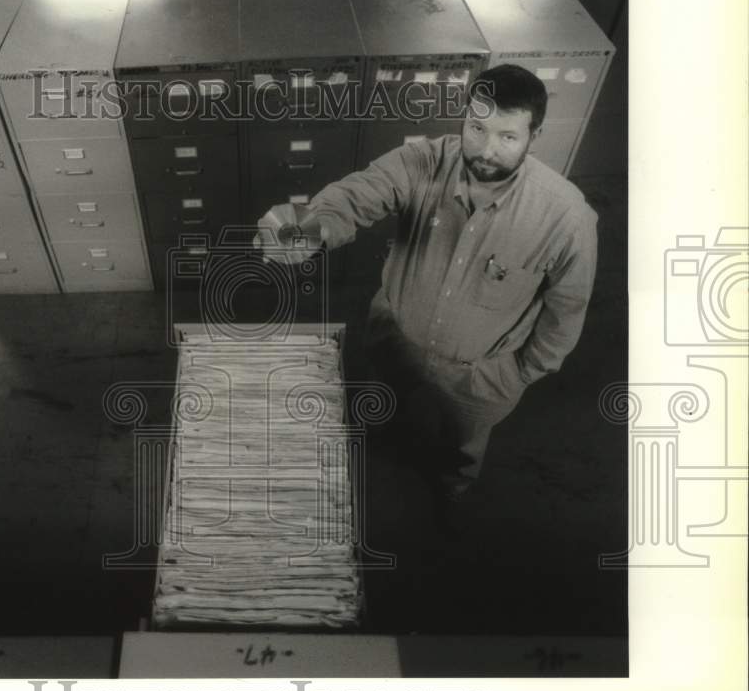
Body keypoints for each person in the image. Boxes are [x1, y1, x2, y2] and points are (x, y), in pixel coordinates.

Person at [255, 64, 599, 519]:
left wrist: (518, 374)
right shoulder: (423, 161)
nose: (486, 149)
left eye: (507, 137)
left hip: (479, 378)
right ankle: (390, 443)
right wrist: (305, 230)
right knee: (390, 410)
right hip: (395, 341)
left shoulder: (567, 217)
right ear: (463, 117)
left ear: (535, 135)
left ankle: (453, 493)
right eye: (477, 128)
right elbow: (358, 195)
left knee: (461, 447)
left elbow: (566, 310)